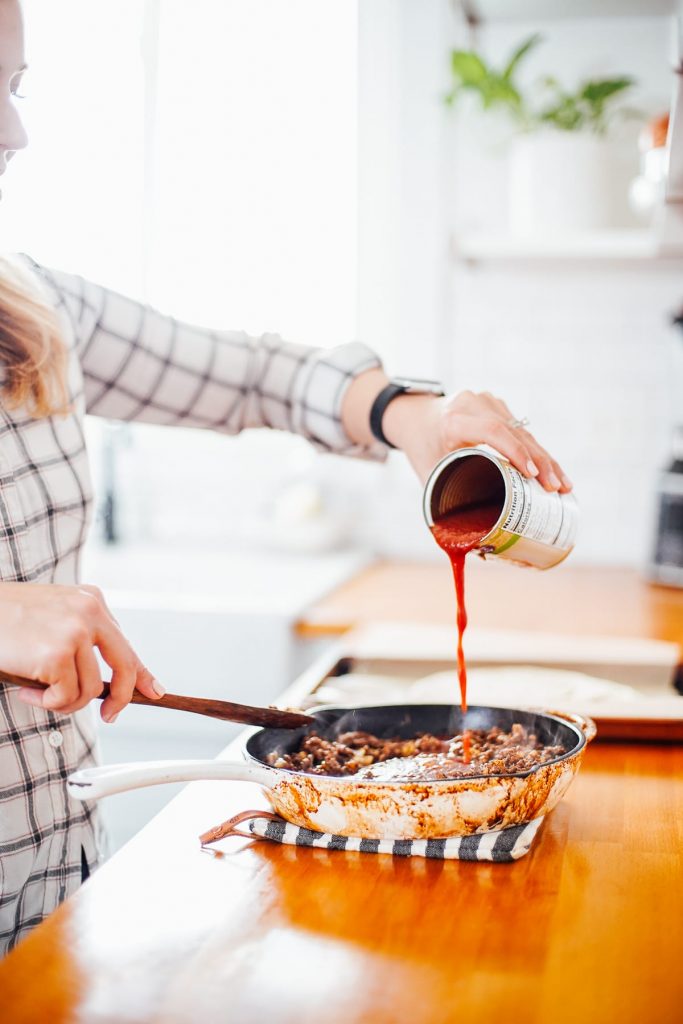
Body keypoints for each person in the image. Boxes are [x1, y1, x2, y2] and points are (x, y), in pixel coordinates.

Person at [0, 0, 571, 953]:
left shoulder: (30, 307)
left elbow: (255, 374)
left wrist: (414, 416)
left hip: (55, 895)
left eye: (12, 89)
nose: (14, 134)